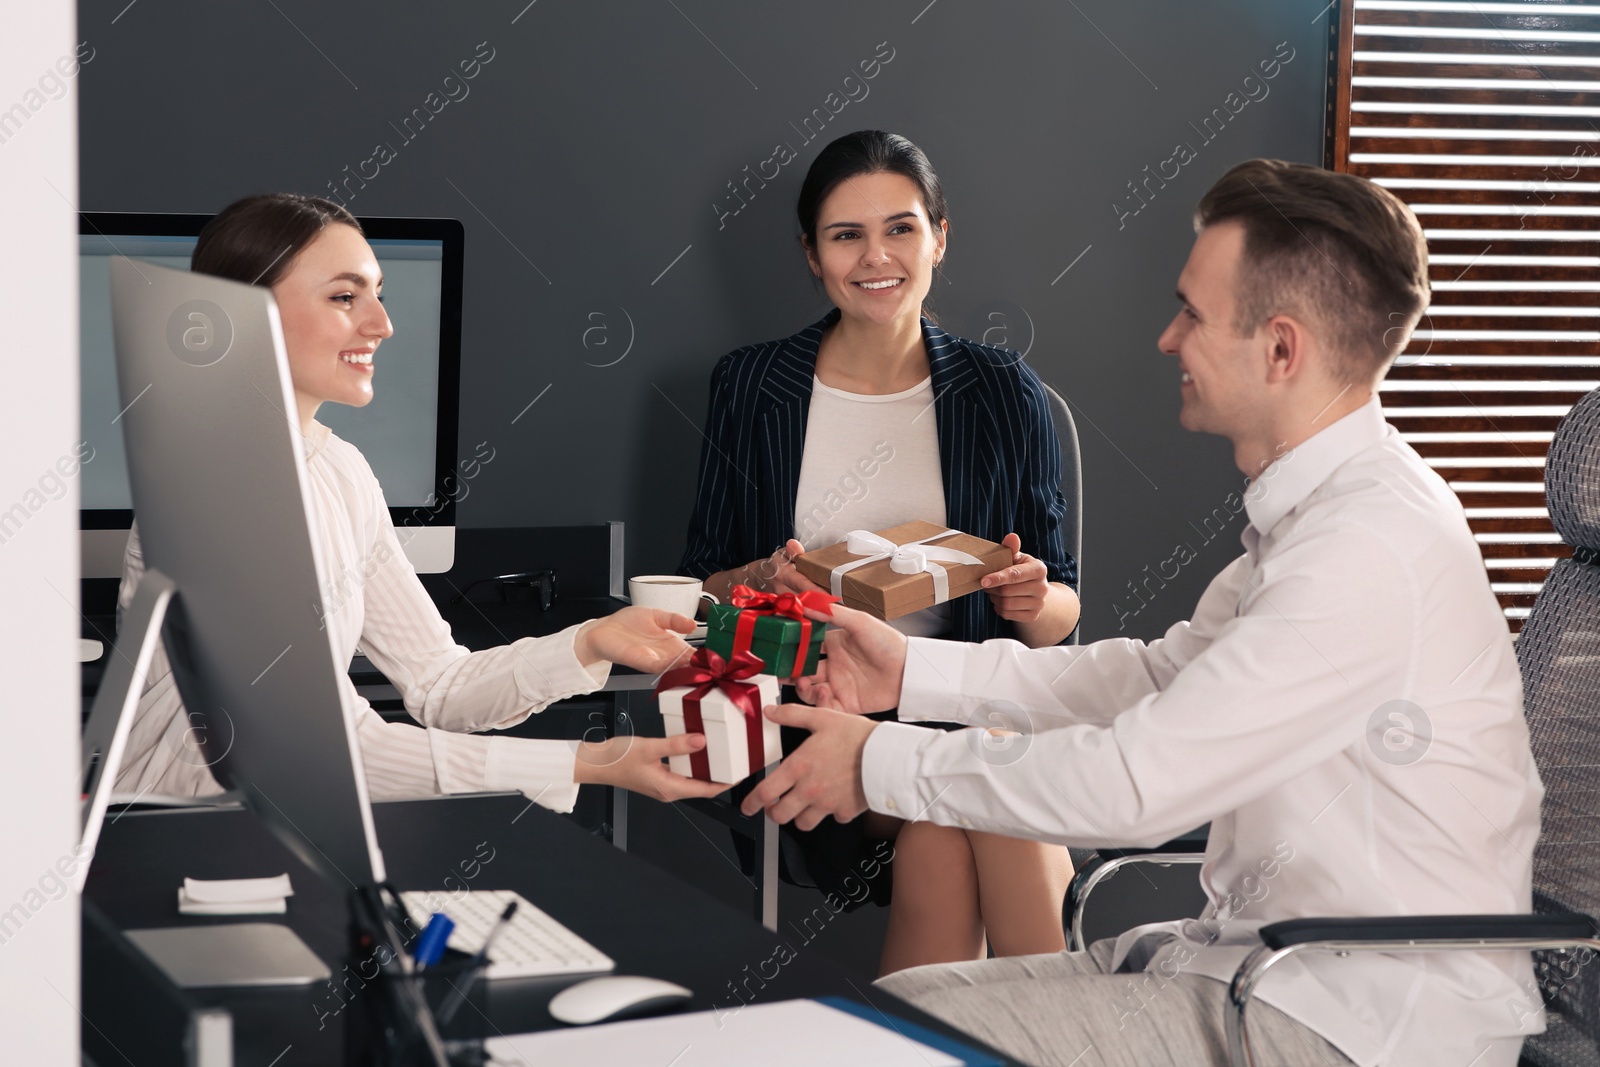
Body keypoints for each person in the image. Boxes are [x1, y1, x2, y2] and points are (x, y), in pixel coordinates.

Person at [741, 159, 1543, 1066]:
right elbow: (1156, 677)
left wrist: (880, 760)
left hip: (1353, 1023)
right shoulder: (1323, 514)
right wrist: (915, 671)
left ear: (1281, 349)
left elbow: (1133, 784)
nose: (1168, 339)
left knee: (875, 1050)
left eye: (1194, 313)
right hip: (1257, 971)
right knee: (884, 1014)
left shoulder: (1366, 548)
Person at [115, 193, 726, 812]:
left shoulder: (340, 471)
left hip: (276, 827)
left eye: (379, 294)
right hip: (172, 833)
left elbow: (439, 683)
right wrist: (583, 761)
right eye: (344, 296)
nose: (382, 324)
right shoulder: (219, 488)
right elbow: (317, 748)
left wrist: (593, 639)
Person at [680, 130, 1081, 974]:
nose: (877, 256)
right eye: (846, 235)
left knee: (950, 814)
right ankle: (1081, 1034)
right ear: (811, 255)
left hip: (973, 702)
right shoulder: (753, 386)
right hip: (822, 715)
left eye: (901, 228)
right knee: (978, 797)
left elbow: (1059, 617)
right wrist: (758, 580)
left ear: (940, 236)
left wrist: (1028, 597)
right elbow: (700, 595)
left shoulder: (1003, 388)